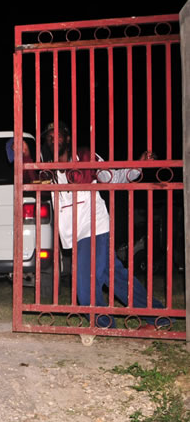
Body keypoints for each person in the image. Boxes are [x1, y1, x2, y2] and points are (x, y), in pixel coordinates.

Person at [43, 121, 165, 327]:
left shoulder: (84, 157)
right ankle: (159, 317)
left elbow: (112, 177)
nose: (54, 139)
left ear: (68, 139)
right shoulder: (49, 170)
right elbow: (27, 178)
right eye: (50, 137)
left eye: (59, 135)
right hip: (75, 233)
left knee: (85, 286)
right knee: (115, 275)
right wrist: (22, 153)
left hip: (93, 228)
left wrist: (137, 166)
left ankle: (103, 324)